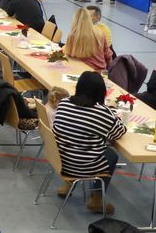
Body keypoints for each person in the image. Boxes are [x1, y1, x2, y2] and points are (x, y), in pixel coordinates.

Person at [53, 71, 126, 214]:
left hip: (61, 158)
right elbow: (119, 132)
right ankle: (96, 199)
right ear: (101, 92)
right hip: (82, 165)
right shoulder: (101, 113)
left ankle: (68, 183)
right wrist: (114, 116)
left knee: (75, 142)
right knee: (111, 156)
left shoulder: (64, 103)